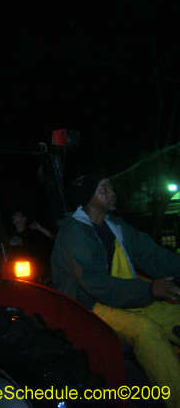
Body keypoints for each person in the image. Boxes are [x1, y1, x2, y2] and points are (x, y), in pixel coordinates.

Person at [51, 173, 180, 407]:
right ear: (88, 198)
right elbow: (96, 285)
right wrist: (150, 289)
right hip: (89, 307)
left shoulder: (116, 226)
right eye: (104, 189)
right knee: (145, 331)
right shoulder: (73, 234)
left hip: (123, 298)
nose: (112, 193)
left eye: (111, 188)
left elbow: (152, 256)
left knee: (176, 315)